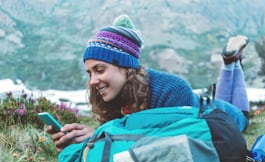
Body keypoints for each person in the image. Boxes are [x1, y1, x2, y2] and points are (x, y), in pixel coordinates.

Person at [48, 14, 249, 152]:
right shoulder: (113, 95)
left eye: (100, 70)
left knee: (243, 115)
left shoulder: (172, 89)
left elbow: (165, 141)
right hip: (205, 104)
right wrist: (80, 142)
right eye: (90, 73)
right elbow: (122, 138)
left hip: (218, 115)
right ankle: (231, 61)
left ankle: (231, 63)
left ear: (127, 66)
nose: (93, 81)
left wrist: (98, 136)